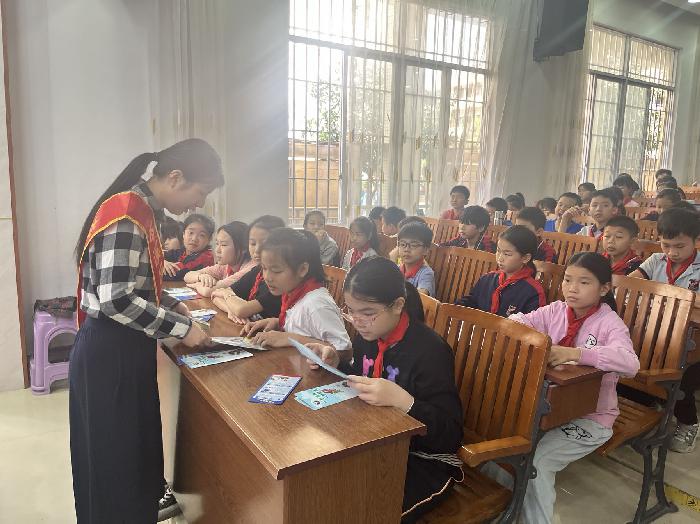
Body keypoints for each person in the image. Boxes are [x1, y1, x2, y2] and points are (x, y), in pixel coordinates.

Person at [70, 138, 223, 523]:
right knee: (115, 468)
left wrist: (172, 304)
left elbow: (135, 283)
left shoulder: (144, 211)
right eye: (200, 192)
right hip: (110, 353)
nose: (199, 204)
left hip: (125, 347)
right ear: (176, 177)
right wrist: (182, 327)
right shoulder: (126, 212)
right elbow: (116, 300)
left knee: (133, 461)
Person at [304, 257, 463, 522]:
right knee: (321, 488)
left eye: (368, 313)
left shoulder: (431, 352)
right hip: (378, 443)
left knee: (363, 511)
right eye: (351, 311)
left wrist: (406, 402)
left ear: (398, 305)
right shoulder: (369, 336)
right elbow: (362, 379)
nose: (357, 321)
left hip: (425, 459)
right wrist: (336, 362)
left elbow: (450, 436)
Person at [486, 252, 639, 524]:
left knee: (538, 462)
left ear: (604, 288)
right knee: (498, 445)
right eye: (567, 280)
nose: (572, 288)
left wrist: (577, 354)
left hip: (590, 417)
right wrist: (520, 329)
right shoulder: (556, 310)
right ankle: (508, 510)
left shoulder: (609, 323)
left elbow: (630, 363)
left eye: (584, 282)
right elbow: (521, 321)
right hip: (549, 409)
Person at [629, 208, 700, 453]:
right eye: (666, 245)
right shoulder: (656, 261)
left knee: (681, 376)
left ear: (696, 240)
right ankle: (649, 404)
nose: (672, 252)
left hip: (691, 338)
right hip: (655, 331)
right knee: (631, 360)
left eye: (679, 246)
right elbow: (632, 284)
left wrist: (663, 296)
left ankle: (688, 422)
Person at [240, 228, 351, 353]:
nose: (267, 277)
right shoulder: (292, 292)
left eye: (276, 271)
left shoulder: (316, 305)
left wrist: (290, 338)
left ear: (302, 269)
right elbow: (304, 327)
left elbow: (345, 351)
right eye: (264, 268)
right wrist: (276, 323)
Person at [211, 215, 286, 323]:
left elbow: (241, 310)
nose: (257, 250)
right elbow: (216, 296)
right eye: (253, 243)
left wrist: (226, 294)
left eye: (265, 243)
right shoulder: (257, 271)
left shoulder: (279, 281)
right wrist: (230, 310)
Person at [456, 226, 545, 316]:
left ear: (525, 258)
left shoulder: (533, 291)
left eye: (507, 254)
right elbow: (472, 301)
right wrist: (457, 306)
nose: (500, 258)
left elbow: (533, 322)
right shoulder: (487, 279)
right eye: (498, 251)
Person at [183, 221, 256, 297]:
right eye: (217, 244)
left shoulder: (251, 269)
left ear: (243, 248)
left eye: (224, 245)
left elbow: (208, 291)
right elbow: (187, 276)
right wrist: (200, 276)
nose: (217, 250)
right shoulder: (225, 266)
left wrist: (196, 285)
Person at [163, 213, 216, 281]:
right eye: (191, 233)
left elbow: (176, 273)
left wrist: (159, 264)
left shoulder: (206, 257)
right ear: (183, 234)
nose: (194, 239)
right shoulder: (183, 251)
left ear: (209, 239)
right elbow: (158, 255)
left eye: (202, 235)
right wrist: (162, 261)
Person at [397, 222, 435, 296]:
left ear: (425, 250)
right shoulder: (397, 269)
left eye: (413, 245)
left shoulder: (426, 273)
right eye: (403, 244)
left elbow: (421, 296)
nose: (406, 249)